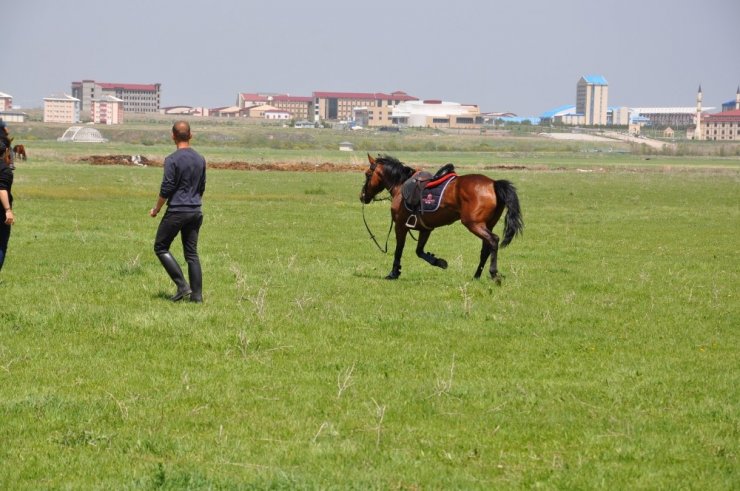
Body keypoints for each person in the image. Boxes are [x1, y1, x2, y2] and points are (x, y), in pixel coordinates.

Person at [150, 121, 206, 302]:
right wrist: (194, 202)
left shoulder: (172, 159)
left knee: (160, 246)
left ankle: (182, 286)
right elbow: (202, 186)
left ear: (172, 136)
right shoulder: (200, 159)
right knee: (191, 253)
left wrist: (156, 209)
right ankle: (197, 297)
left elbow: (166, 188)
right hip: (195, 210)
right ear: (191, 135)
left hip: (177, 210)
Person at [0, 120, 15, 274]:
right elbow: (2, 189)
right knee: (2, 243)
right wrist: (8, 209)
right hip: (0, 211)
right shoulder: (5, 170)